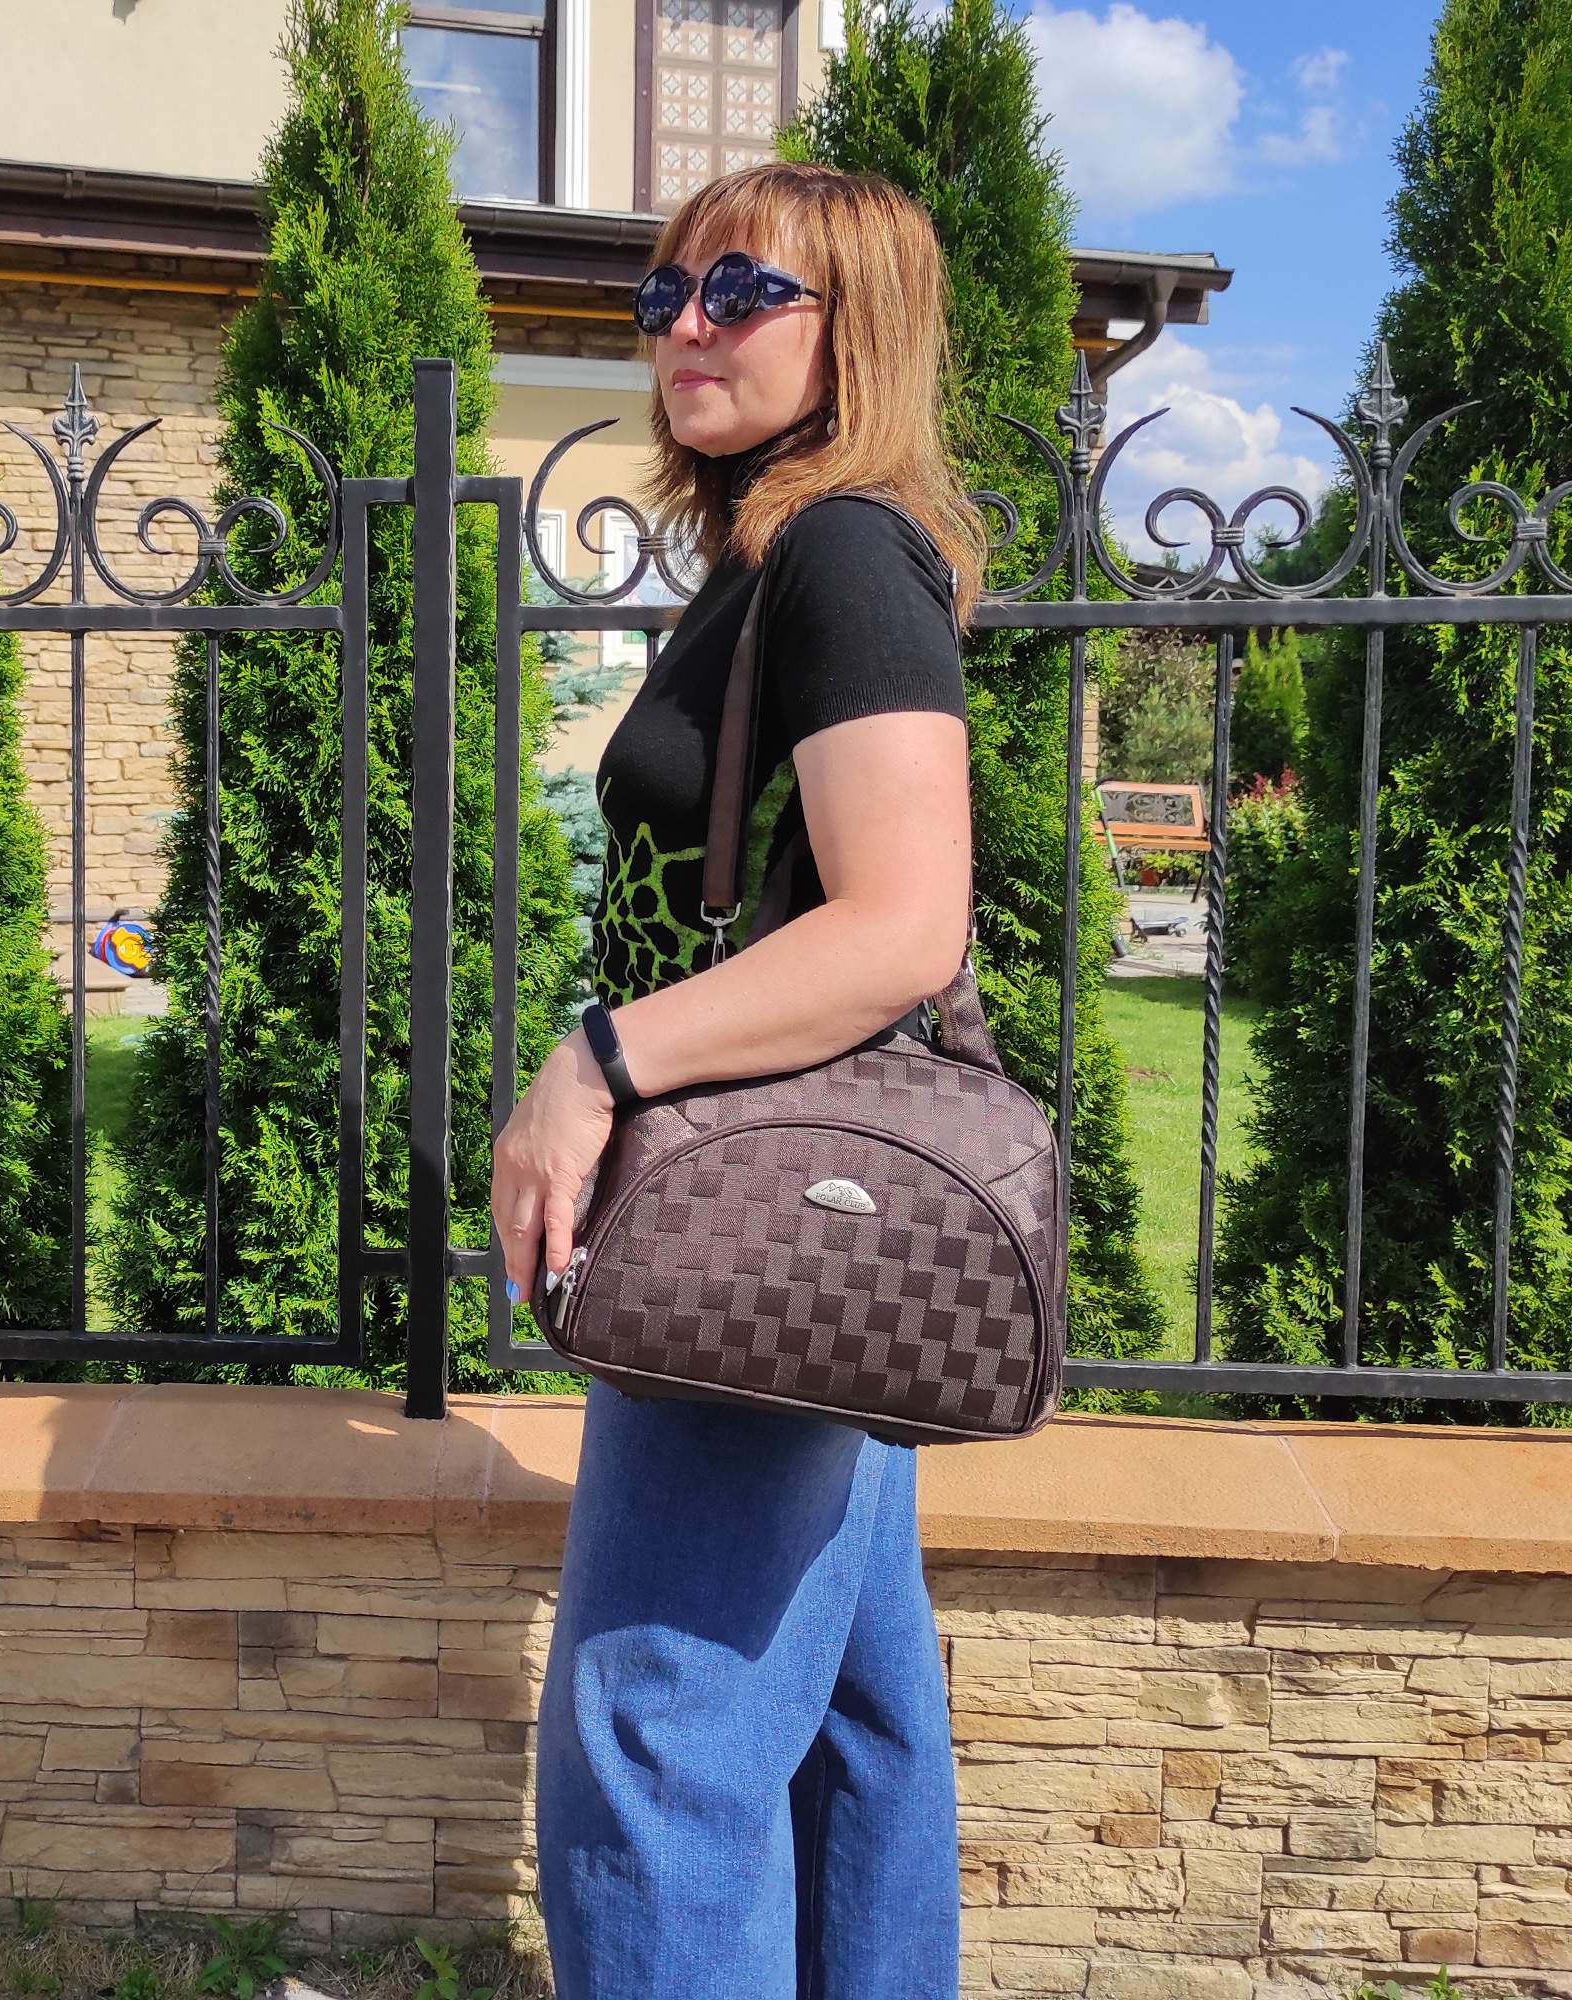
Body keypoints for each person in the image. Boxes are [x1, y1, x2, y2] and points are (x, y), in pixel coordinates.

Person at [490, 157, 982, 1998]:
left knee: (653, 1747)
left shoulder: (843, 551)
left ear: (862, 328)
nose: (684, 327)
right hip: (805, 1219)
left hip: (760, 1221)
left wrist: (597, 1062)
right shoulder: (774, 555)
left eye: (742, 293)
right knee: (859, 1727)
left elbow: (902, 923)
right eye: (664, 297)